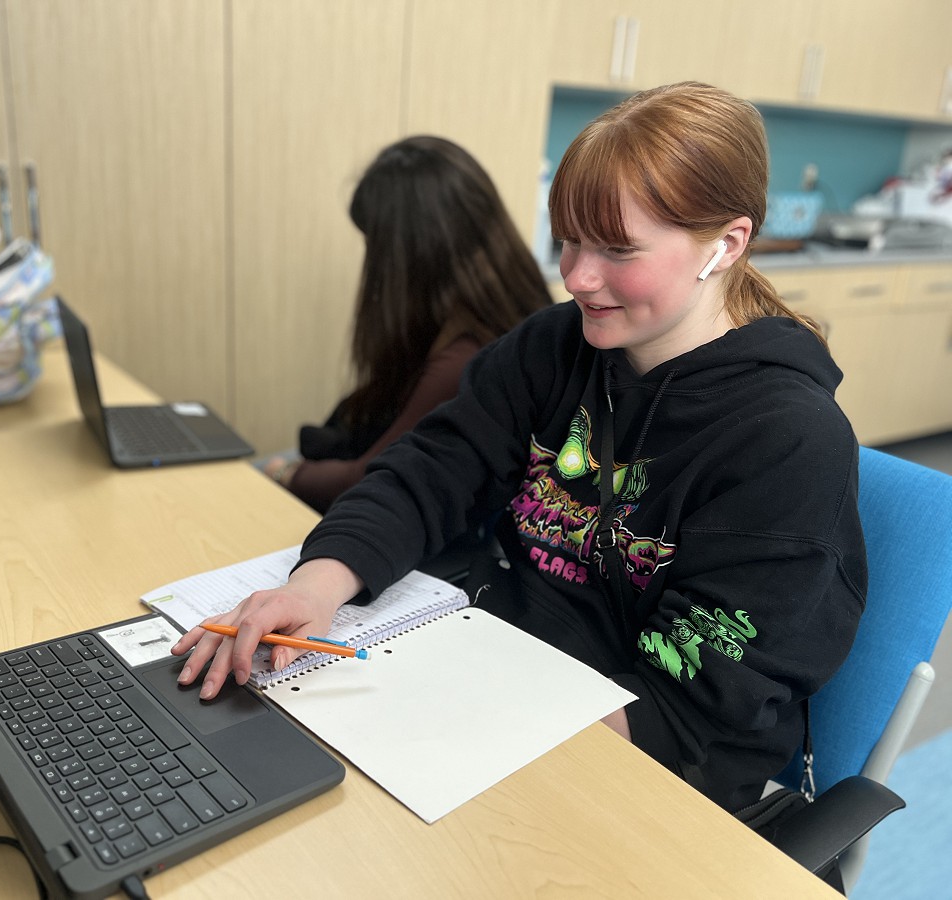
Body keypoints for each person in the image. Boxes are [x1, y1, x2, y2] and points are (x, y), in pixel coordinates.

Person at [174, 82, 868, 815]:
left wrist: (471, 727)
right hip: (503, 678)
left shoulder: (789, 441)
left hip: (643, 769)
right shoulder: (554, 345)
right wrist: (314, 586)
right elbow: (432, 466)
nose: (576, 276)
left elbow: (696, 707)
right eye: (566, 239)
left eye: (616, 248)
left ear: (726, 244)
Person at [261, 135, 552, 512]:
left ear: (408, 255)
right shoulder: (502, 309)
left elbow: (371, 478)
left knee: (258, 470)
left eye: (375, 247)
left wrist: (285, 474)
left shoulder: (466, 355)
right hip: (394, 481)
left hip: (396, 499)